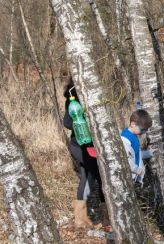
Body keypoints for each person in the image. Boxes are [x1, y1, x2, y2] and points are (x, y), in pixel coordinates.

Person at [63, 78, 108, 228]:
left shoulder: (92, 95)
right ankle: (107, 218)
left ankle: (81, 220)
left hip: (89, 145)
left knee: (87, 177)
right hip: (81, 145)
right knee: (102, 176)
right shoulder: (73, 99)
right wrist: (82, 120)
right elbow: (67, 123)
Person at [120, 109, 153, 186]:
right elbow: (126, 159)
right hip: (131, 176)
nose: (144, 132)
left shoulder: (134, 136)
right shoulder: (125, 138)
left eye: (146, 130)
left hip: (136, 175)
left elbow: (135, 153)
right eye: (143, 130)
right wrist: (137, 170)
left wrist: (148, 153)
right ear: (133, 124)